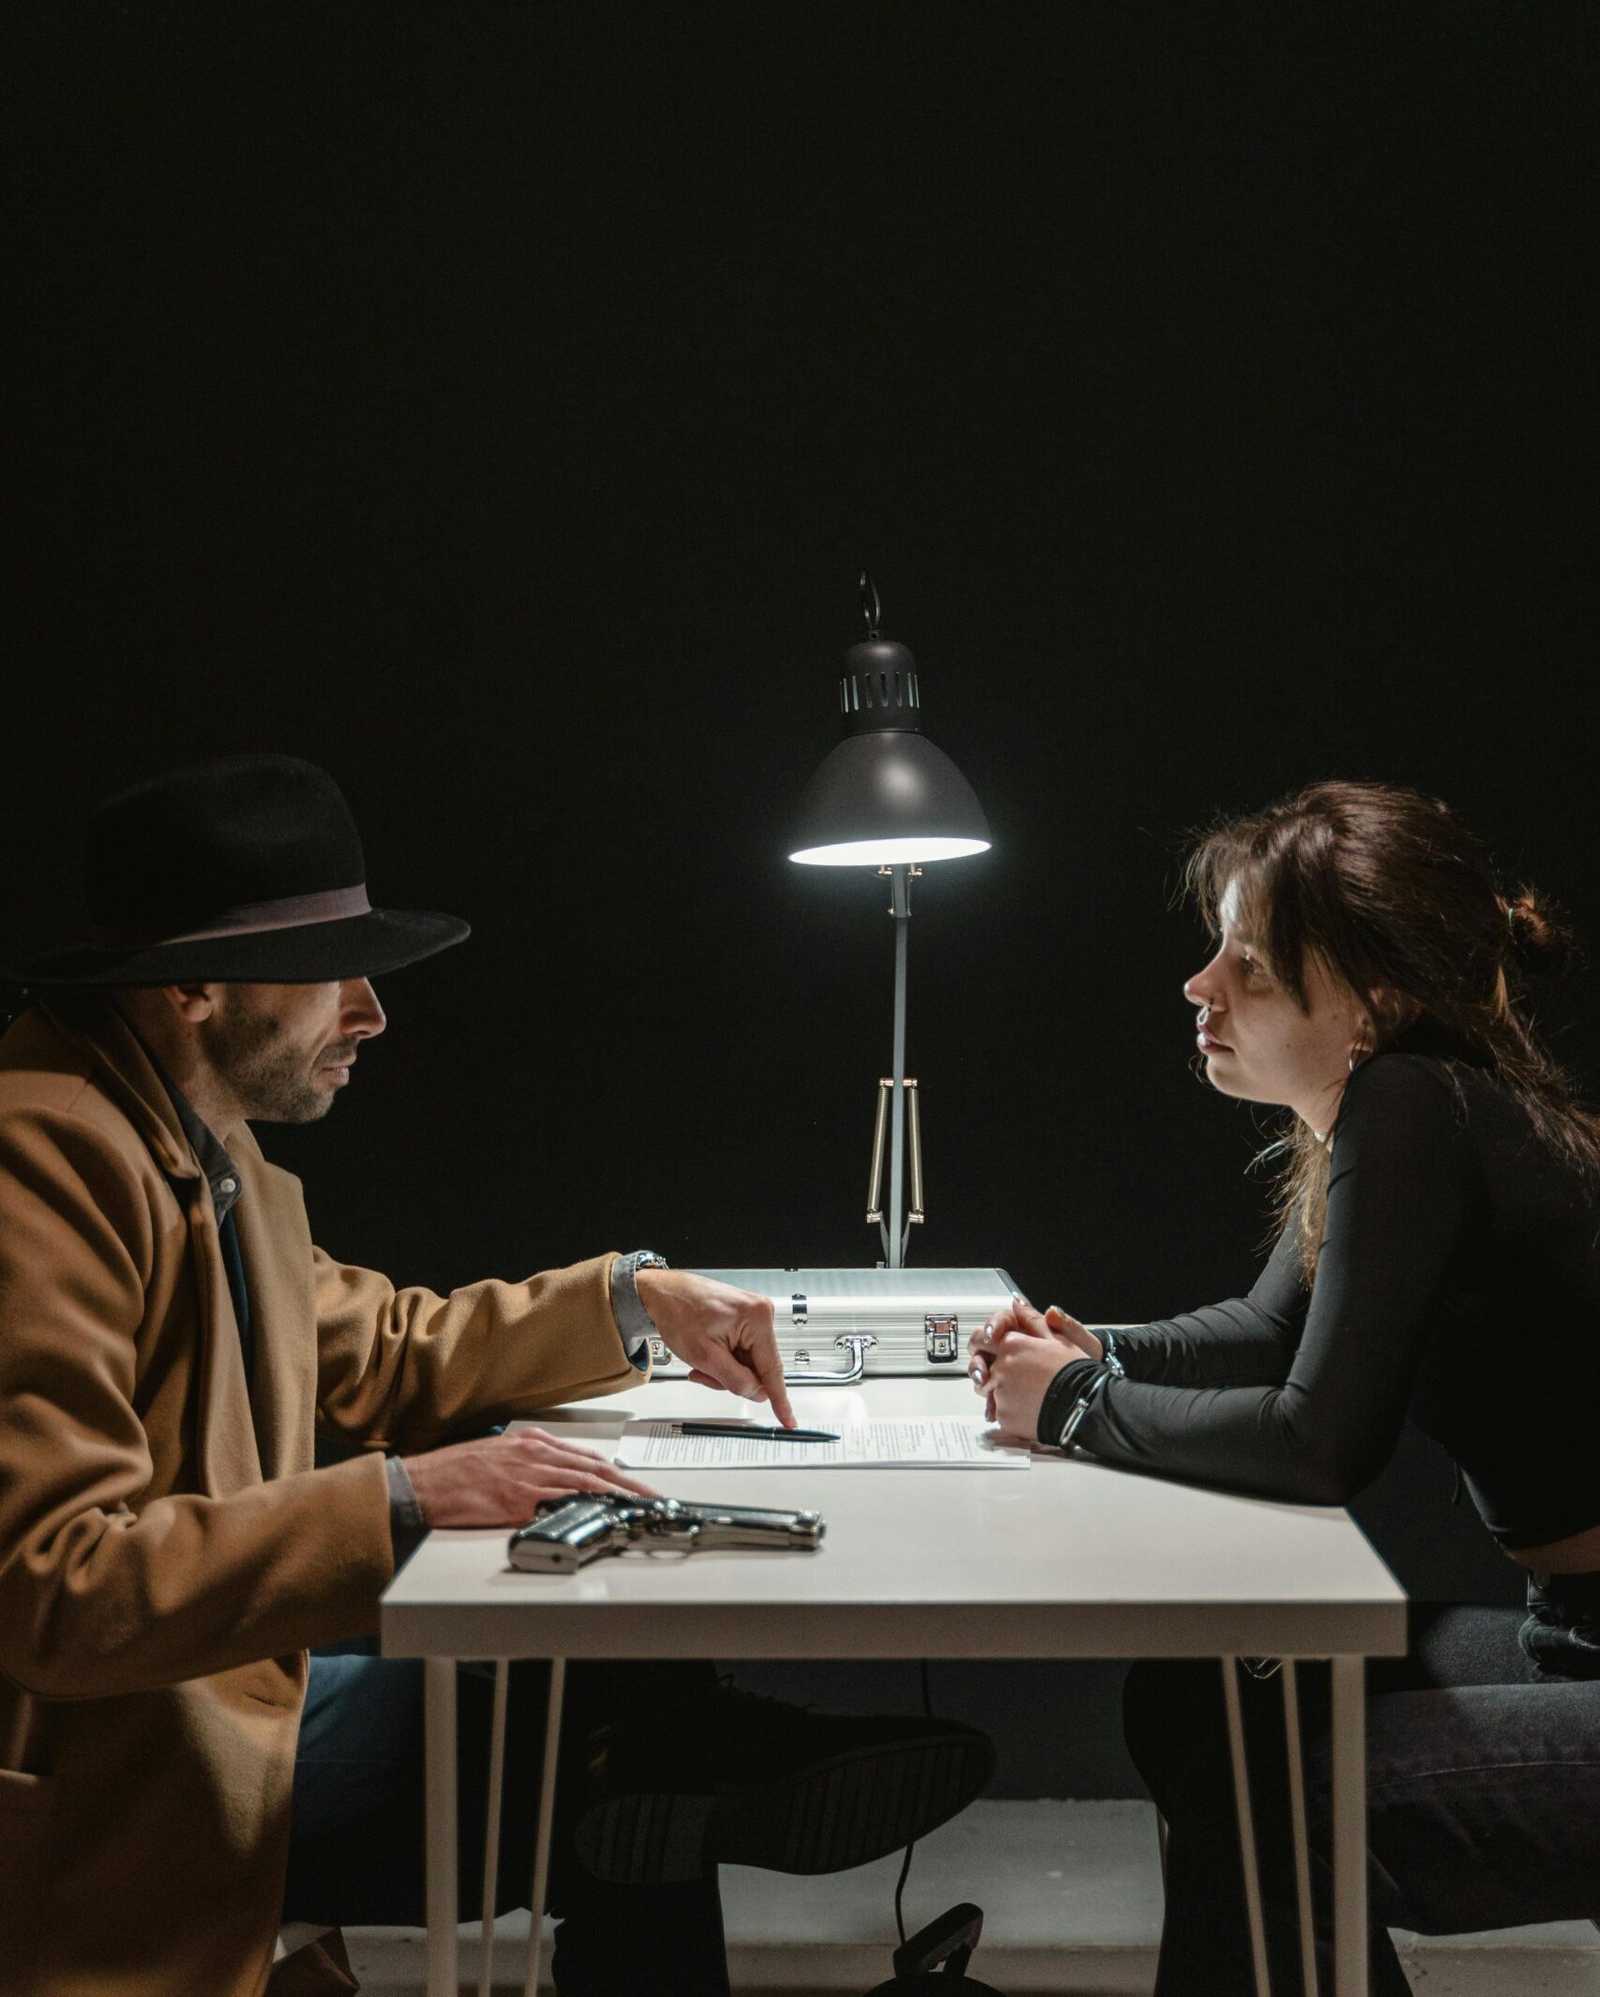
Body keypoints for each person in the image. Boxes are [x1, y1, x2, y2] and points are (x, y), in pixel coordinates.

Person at [0, 754, 991, 1997]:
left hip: (214, 1705)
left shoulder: (185, 1133)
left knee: (607, 1704)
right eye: (330, 974)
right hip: (127, 1778)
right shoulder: (41, 1162)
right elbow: (53, 1587)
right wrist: (404, 1498)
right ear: (195, 985)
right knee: (602, 1756)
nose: (369, 1011)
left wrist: (632, 1299)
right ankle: (686, 1764)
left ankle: (688, 1760)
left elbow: (381, 1342)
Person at [967, 780, 1600, 1995]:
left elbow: (1318, 1442)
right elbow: (1266, 1333)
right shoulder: (1411, 1106)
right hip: (1567, 1632)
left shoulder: (1413, 1107)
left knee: (1285, 1806)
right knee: (1204, 1698)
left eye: (1250, 965)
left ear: (1379, 1000)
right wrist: (1091, 1349)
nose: (1201, 986)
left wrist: (1069, 1406)